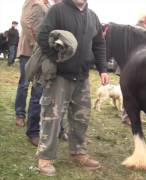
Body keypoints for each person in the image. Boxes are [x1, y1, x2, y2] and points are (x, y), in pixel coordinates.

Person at [36, 0, 109, 176]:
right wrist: (57, 57)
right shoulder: (57, 10)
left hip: (82, 76)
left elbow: (99, 44)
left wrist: (103, 69)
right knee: (52, 117)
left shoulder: (93, 17)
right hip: (59, 76)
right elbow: (43, 35)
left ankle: (78, 153)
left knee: (81, 118)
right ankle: (45, 157)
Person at [15, 0, 50, 148]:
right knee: (24, 84)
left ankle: (34, 120)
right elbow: (25, 22)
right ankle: (20, 114)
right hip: (29, 51)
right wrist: (35, 43)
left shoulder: (48, 5)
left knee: (38, 86)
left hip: (40, 53)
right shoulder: (33, 1)